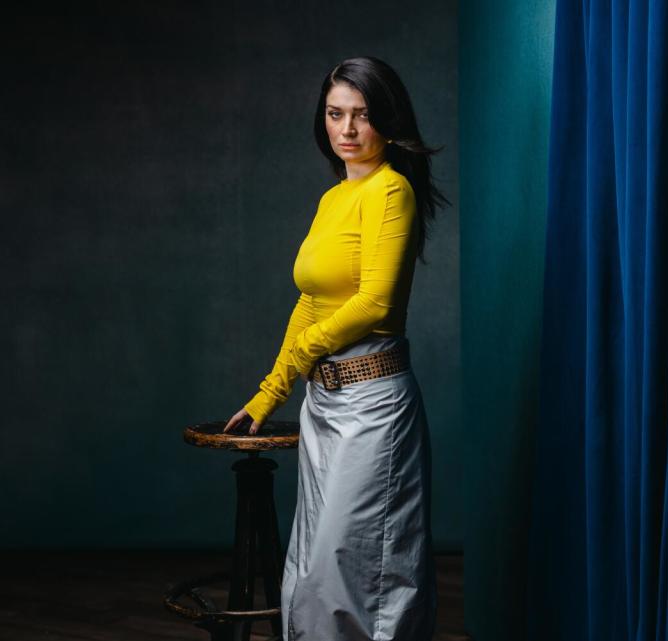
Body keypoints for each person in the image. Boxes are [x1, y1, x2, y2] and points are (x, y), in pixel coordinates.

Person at [224, 55, 449, 641]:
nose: (347, 130)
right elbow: (310, 303)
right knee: (312, 574)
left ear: (387, 120)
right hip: (323, 407)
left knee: (367, 574)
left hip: (375, 405)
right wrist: (269, 392)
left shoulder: (391, 192)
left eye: (363, 115)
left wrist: (304, 356)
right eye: (335, 114)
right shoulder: (332, 200)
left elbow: (375, 305)